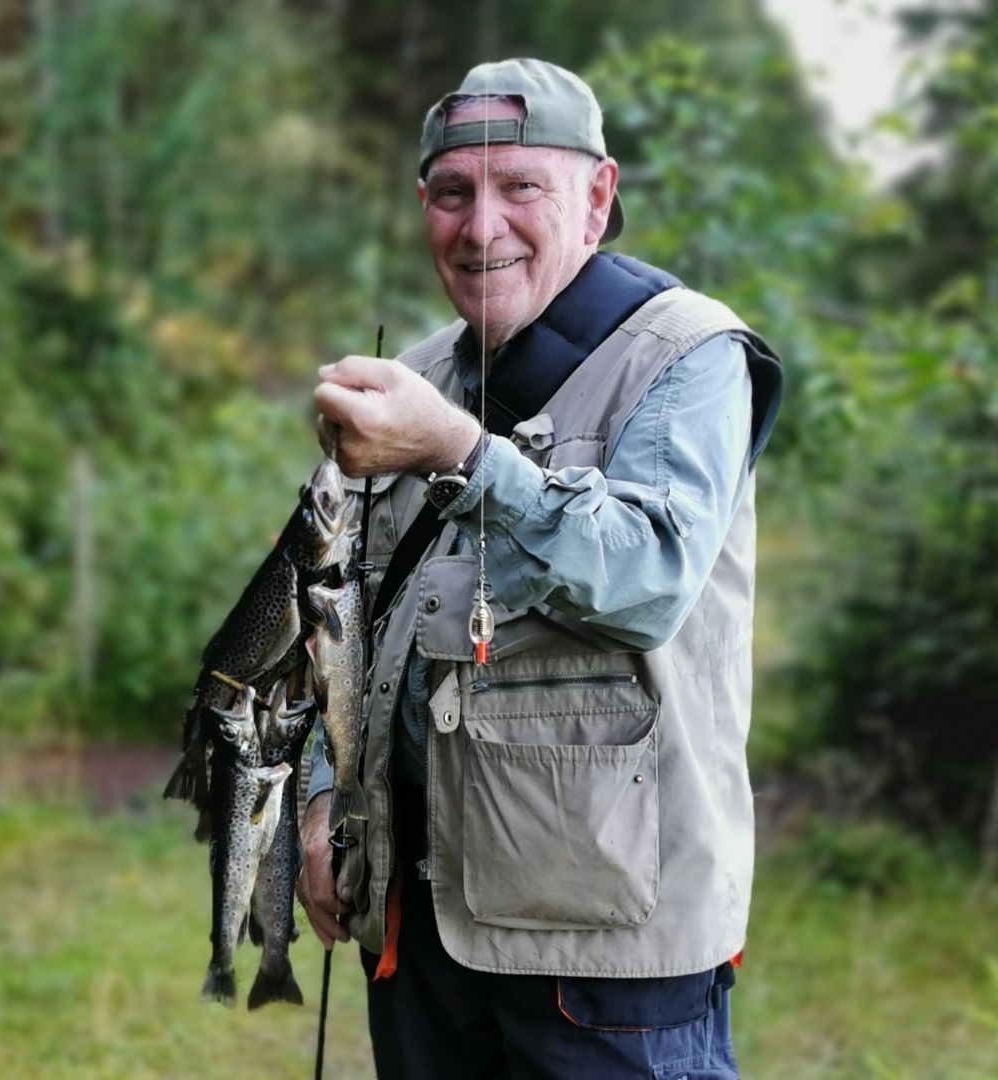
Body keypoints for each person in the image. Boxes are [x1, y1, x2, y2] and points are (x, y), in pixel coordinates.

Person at [303, 57, 782, 1078]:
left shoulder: (690, 357)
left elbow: (647, 581)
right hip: (428, 919)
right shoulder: (422, 374)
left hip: (608, 938)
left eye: (522, 187)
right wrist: (321, 793)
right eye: (453, 193)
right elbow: (343, 605)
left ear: (597, 198)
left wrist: (463, 456)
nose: (483, 228)